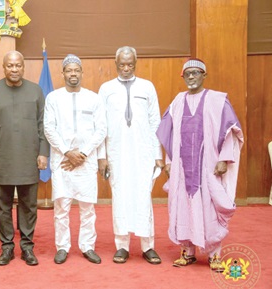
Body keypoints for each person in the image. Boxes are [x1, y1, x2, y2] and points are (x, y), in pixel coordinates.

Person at [156, 58, 244, 272]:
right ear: (183, 77)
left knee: (210, 207)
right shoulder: (177, 101)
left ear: (204, 75)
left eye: (196, 73)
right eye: (187, 74)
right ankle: (188, 251)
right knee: (183, 207)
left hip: (208, 166)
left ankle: (214, 255)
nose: (192, 77)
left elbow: (230, 133)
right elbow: (168, 135)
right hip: (182, 168)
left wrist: (224, 159)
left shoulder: (217, 100)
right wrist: (168, 162)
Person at [0, 51, 49, 266]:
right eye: (10, 66)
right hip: (0, 160)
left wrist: (43, 152)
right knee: (3, 206)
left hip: (29, 159)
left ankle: (27, 247)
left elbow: (43, 124)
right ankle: (7, 247)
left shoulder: (36, 91)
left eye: (18, 65)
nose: (14, 69)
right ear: (4, 67)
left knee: (28, 207)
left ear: (23, 66)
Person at [98, 46, 164, 265]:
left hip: (143, 152)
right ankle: (122, 246)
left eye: (130, 65)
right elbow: (100, 125)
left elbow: (155, 121)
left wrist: (157, 153)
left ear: (135, 64)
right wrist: (102, 156)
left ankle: (148, 246)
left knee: (143, 197)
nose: (126, 68)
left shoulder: (147, 86)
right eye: (122, 65)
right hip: (116, 152)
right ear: (115, 64)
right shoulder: (106, 89)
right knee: (120, 197)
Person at [44, 54, 107, 264]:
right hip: (62, 160)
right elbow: (48, 128)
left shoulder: (93, 98)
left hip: (86, 161)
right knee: (61, 207)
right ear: (63, 73)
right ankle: (62, 247)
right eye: (69, 70)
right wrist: (67, 152)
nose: (73, 74)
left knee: (87, 208)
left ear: (81, 73)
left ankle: (87, 246)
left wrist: (83, 154)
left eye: (76, 70)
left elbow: (101, 130)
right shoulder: (53, 97)